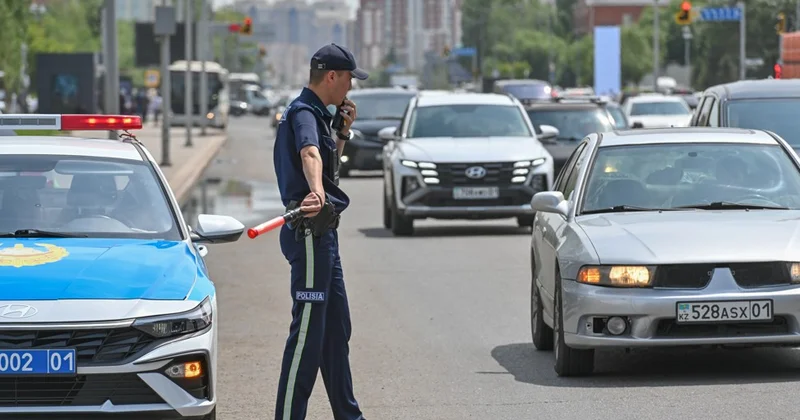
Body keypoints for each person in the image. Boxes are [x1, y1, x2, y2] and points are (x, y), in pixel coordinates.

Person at [272, 43, 369, 420]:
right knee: (308, 338)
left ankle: (349, 416)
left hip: (324, 233)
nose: (350, 88)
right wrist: (316, 192)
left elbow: (325, 161)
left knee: (334, 332)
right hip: (310, 232)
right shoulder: (302, 114)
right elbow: (309, 154)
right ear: (332, 76)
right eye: (348, 79)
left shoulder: (319, 115)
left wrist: (342, 133)